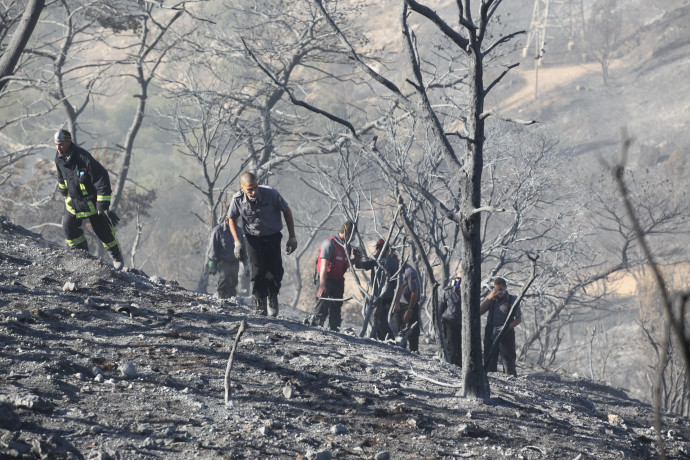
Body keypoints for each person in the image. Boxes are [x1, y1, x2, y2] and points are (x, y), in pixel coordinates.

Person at [227, 172, 297, 317]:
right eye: (249, 189)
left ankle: (272, 296)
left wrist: (292, 237)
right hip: (253, 238)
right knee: (257, 272)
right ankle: (260, 301)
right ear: (242, 188)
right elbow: (231, 218)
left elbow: (287, 211)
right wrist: (237, 242)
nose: (253, 192)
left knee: (275, 270)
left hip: (273, 236)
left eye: (255, 188)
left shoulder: (271, 194)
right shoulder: (237, 199)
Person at [53, 129, 123, 270]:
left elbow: (101, 177)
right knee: (68, 227)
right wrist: (63, 191)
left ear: (68, 142)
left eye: (61, 144)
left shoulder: (83, 157)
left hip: (91, 202)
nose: (58, 148)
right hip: (73, 202)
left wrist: (102, 205)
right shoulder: (59, 158)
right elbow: (61, 177)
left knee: (102, 229)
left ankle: (116, 256)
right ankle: (81, 256)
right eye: (56, 144)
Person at [308, 221, 360, 332]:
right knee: (323, 303)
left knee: (337, 305)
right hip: (325, 278)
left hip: (338, 280)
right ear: (346, 232)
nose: (353, 238)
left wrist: (356, 259)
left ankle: (334, 328)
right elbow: (323, 266)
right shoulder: (330, 243)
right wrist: (322, 285)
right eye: (352, 235)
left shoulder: (347, 247)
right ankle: (317, 327)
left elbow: (345, 264)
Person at [354, 239, 399, 340]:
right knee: (377, 318)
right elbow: (359, 265)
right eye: (377, 248)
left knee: (383, 319)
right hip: (377, 296)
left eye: (381, 249)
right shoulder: (375, 260)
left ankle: (390, 339)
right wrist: (357, 257)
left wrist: (396, 302)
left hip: (388, 297)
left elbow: (399, 284)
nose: (378, 251)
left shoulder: (393, 263)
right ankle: (379, 338)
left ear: (387, 250)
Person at [480, 276, 522, 376]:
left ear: (505, 287)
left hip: (507, 331)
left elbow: (519, 319)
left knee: (508, 359)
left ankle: (510, 379)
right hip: (491, 331)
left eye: (501, 290)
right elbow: (480, 311)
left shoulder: (512, 299)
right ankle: (490, 379)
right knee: (489, 357)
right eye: (496, 289)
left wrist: (508, 327)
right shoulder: (492, 299)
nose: (499, 292)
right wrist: (489, 298)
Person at [207, 215, 248, 299]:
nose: (235, 222)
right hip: (222, 260)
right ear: (226, 219)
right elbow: (212, 249)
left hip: (234, 260)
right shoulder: (218, 231)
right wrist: (212, 265)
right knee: (224, 278)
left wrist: (246, 265)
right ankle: (221, 298)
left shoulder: (239, 231)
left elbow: (243, 248)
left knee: (234, 281)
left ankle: (231, 299)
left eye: (236, 220)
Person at [391, 262, 421, 352]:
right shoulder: (394, 268)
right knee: (398, 331)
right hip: (399, 304)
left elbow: (414, 292)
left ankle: (414, 353)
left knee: (412, 333)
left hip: (409, 305)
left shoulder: (409, 271)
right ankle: (400, 351)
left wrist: (410, 310)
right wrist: (396, 304)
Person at [438, 270, 463, 367]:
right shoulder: (447, 292)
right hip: (449, 322)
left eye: (461, 279)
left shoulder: (471, 294)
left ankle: (460, 366)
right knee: (450, 346)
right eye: (458, 279)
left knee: (461, 347)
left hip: (463, 324)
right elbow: (440, 309)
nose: (459, 281)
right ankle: (450, 365)